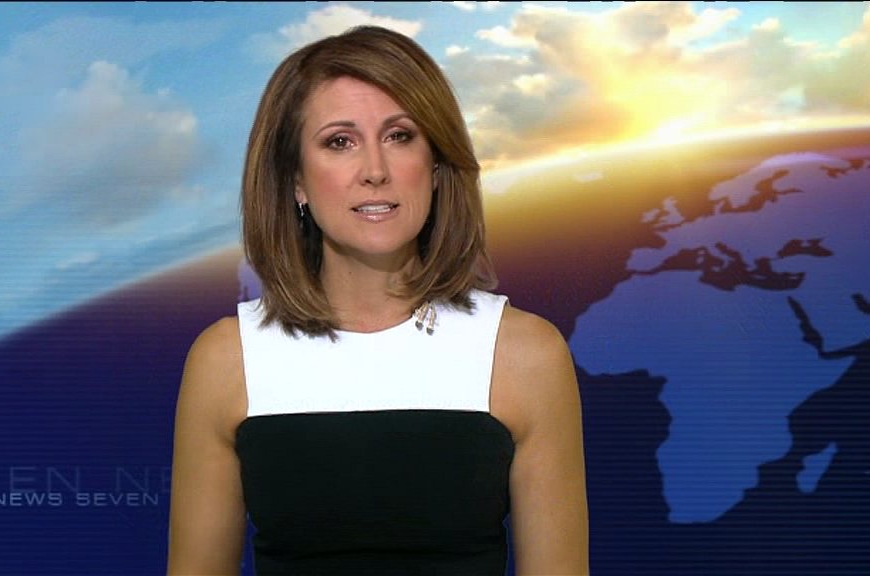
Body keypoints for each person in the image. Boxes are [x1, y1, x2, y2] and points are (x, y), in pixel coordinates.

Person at [167, 25, 588, 576]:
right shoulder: (228, 360)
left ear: (436, 167)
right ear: (296, 180)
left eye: (400, 136)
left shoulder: (526, 355)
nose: (374, 171)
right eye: (339, 142)